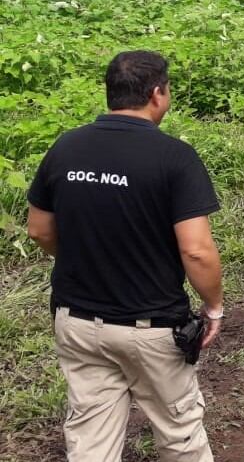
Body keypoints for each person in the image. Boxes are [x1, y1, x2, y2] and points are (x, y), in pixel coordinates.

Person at [27, 50, 223, 461]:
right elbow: (197, 250)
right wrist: (214, 306)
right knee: (179, 433)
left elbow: (39, 229)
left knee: (90, 440)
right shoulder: (174, 157)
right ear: (157, 94)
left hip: (77, 323)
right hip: (149, 326)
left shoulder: (66, 148)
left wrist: (84, 257)